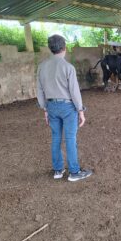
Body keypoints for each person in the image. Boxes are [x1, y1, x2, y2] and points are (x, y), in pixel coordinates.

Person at [37, 34, 92, 182]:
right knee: (70, 139)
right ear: (64, 48)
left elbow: (40, 90)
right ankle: (74, 172)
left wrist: (45, 109)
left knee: (56, 138)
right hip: (68, 107)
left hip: (51, 106)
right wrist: (81, 111)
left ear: (51, 48)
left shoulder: (42, 67)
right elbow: (74, 92)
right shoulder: (68, 67)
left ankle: (58, 170)